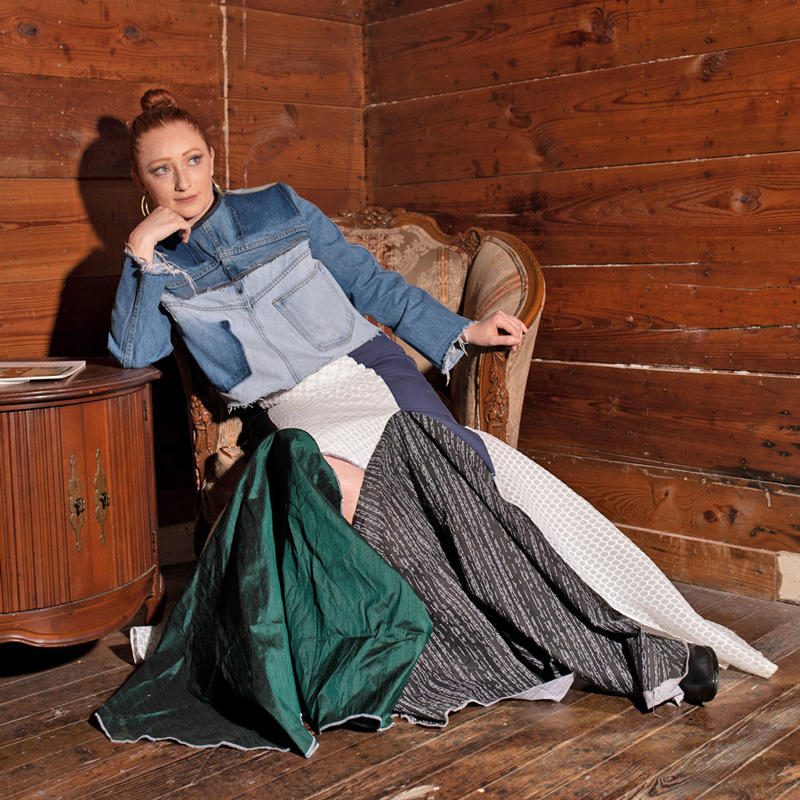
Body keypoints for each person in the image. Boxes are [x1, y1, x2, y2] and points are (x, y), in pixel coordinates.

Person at [95, 90, 775, 756]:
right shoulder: (158, 264)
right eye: (162, 169)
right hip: (298, 410)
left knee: (487, 486)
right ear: (140, 179)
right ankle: (565, 652)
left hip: (371, 373)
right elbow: (135, 352)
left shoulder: (277, 207)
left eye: (193, 159)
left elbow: (368, 283)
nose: (183, 180)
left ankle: (628, 637)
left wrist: (461, 330)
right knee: (388, 512)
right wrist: (141, 253)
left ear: (213, 156)